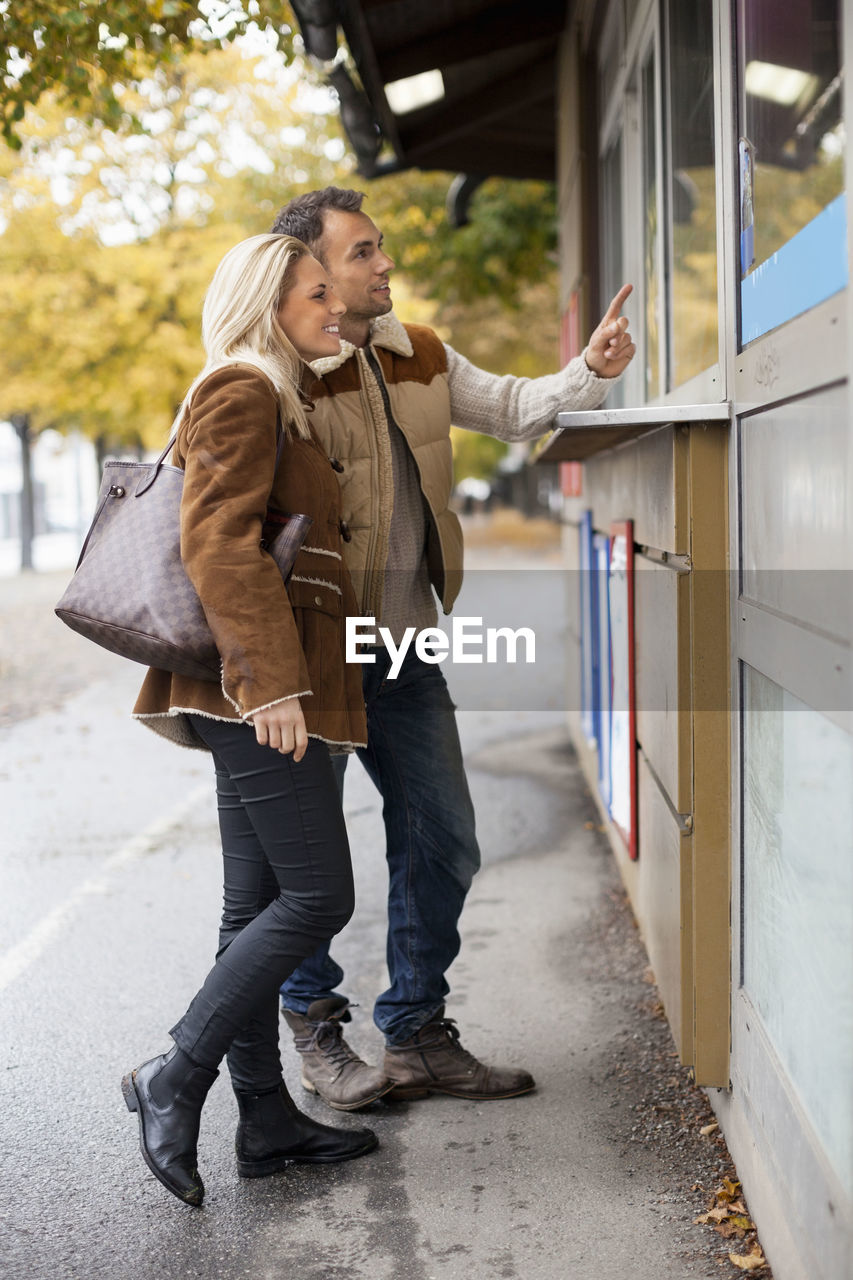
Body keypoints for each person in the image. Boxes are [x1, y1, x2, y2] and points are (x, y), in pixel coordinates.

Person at [269, 187, 636, 1111]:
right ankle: (316, 1024)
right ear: (308, 273)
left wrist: (587, 370)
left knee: (444, 841)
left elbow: (514, 408)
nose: (384, 264)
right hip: (310, 661)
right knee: (307, 868)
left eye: (380, 248)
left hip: (399, 649)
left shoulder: (418, 351)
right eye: (361, 254)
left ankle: (417, 1033)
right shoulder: (273, 368)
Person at [122, 233, 378, 1208]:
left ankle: (263, 1119)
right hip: (258, 692)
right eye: (317, 293)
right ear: (267, 303)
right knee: (317, 895)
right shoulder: (242, 389)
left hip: (266, 684)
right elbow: (220, 545)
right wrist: (269, 684)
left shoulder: (286, 394)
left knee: (251, 909)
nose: (336, 308)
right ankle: (173, 1076)